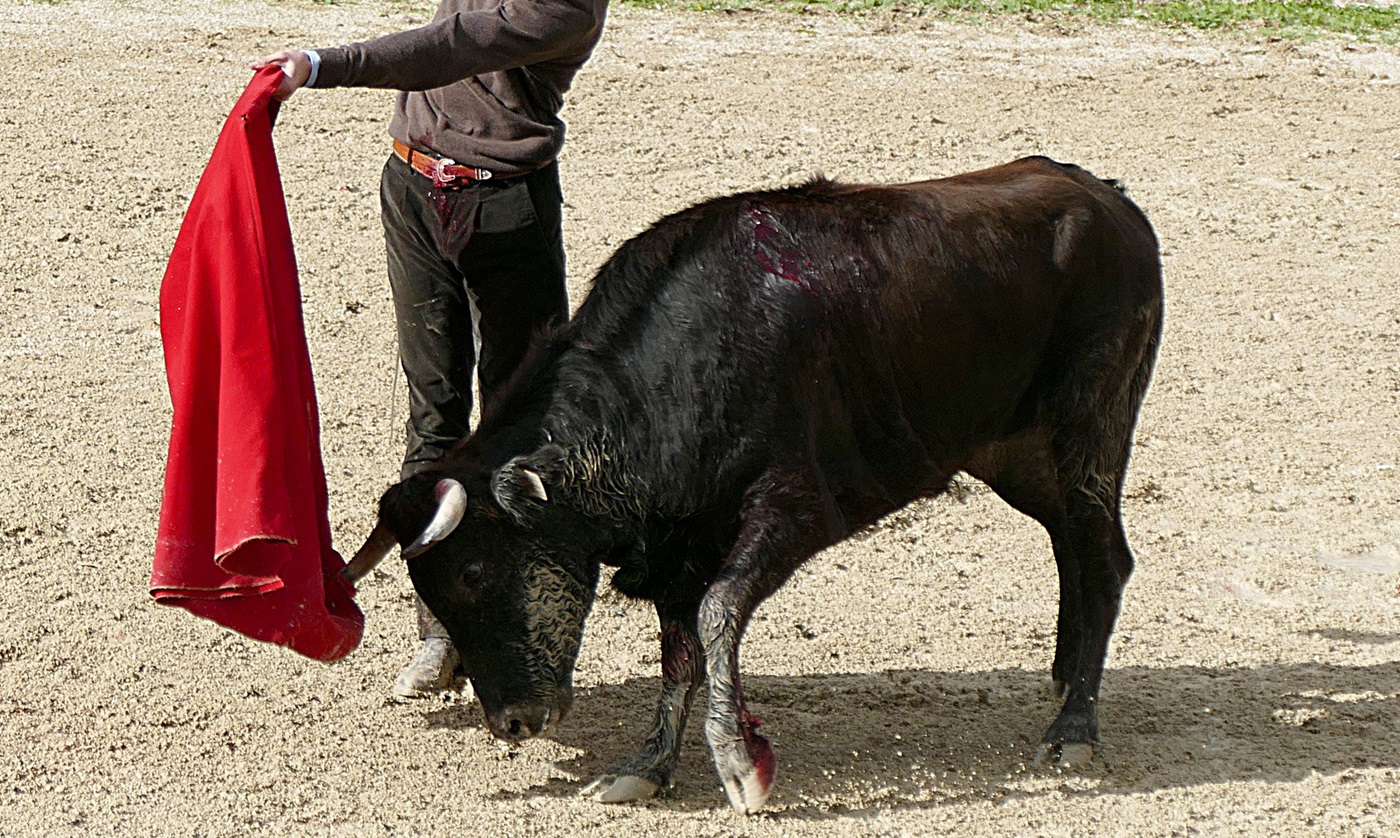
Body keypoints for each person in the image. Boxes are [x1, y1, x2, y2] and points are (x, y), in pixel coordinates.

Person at [252, 0, 609, 698]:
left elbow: (452, 43)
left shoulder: (565, 7)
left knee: (519, 433)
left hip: (505, 207)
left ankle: (511, 642)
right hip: (414, 189)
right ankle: (440, 632)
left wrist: (323, 66)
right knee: (434, 415)